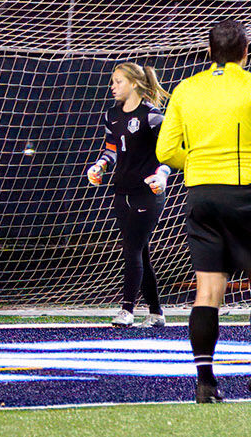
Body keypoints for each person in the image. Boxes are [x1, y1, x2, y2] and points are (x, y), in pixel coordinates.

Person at [157, 20, 251, 403]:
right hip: (244, 193)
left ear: (209, 51)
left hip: (201, 195)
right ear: (245, 51)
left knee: (207, 291)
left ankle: (206, 385)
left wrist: (200, 162)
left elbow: (166, 151)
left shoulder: (185, 89)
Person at [88, 62, 174, 328]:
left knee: (132, 249)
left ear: (134, 83)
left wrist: (162, 175)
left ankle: (127, 309)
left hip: (147, 193)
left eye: (118, 81)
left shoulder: (152, 116)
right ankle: (157, 311)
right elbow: (112, 150)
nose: (112, 87)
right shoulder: (112, 115)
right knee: (140, 251)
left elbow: (170, 154)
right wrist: (99, 166)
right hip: (121, 190)